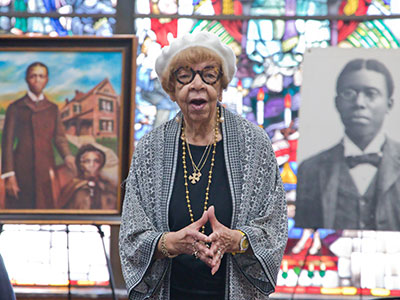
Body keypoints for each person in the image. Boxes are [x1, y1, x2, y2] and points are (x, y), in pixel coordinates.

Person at [119, 31, 287, 300]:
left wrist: (239, 240)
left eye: (209, 74)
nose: (197, 84)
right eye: (185, 75)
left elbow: (275, 226)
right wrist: (168, 243)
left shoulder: (254, 144)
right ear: (171, 90)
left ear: (221, 87)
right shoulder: (150, 148)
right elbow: (131, 235)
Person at [295, 58, 400, 231]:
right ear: (337, 103)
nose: (359, 103)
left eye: (371, 94)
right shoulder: (310, 169)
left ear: (389, 104)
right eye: (349, 93)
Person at [1, 62, 76, 209]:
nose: (37, 80)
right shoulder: (16, 107)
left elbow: (60, 138)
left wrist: (67, 156)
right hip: (21, 167)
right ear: (27, 79)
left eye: (41, 76)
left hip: (46, 168)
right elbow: (7, 142)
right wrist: (9, 174)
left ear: (46, 80)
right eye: (33, 76)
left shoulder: (52, 109)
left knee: (45, 205)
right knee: (21, 206)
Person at [58, 144, 117, 209]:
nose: (92, 165)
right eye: (87, 161)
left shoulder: (107, 185)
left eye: (96, 161)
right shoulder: (76, 187)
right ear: (81, 165)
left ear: (101, 164)